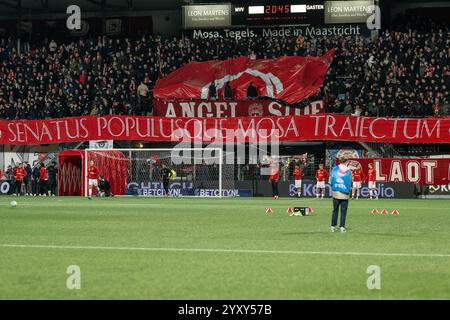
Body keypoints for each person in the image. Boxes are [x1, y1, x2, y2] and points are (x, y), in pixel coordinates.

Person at [330, 156, 352, 233]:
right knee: (343, 211)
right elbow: (350, 182)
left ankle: (333, 226)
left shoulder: (334, 169)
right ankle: (342, 227)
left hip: (336, 192)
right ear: (346, 162)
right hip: (345, 193)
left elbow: (331, 180)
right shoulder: (349, 171)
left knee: (335, 210)